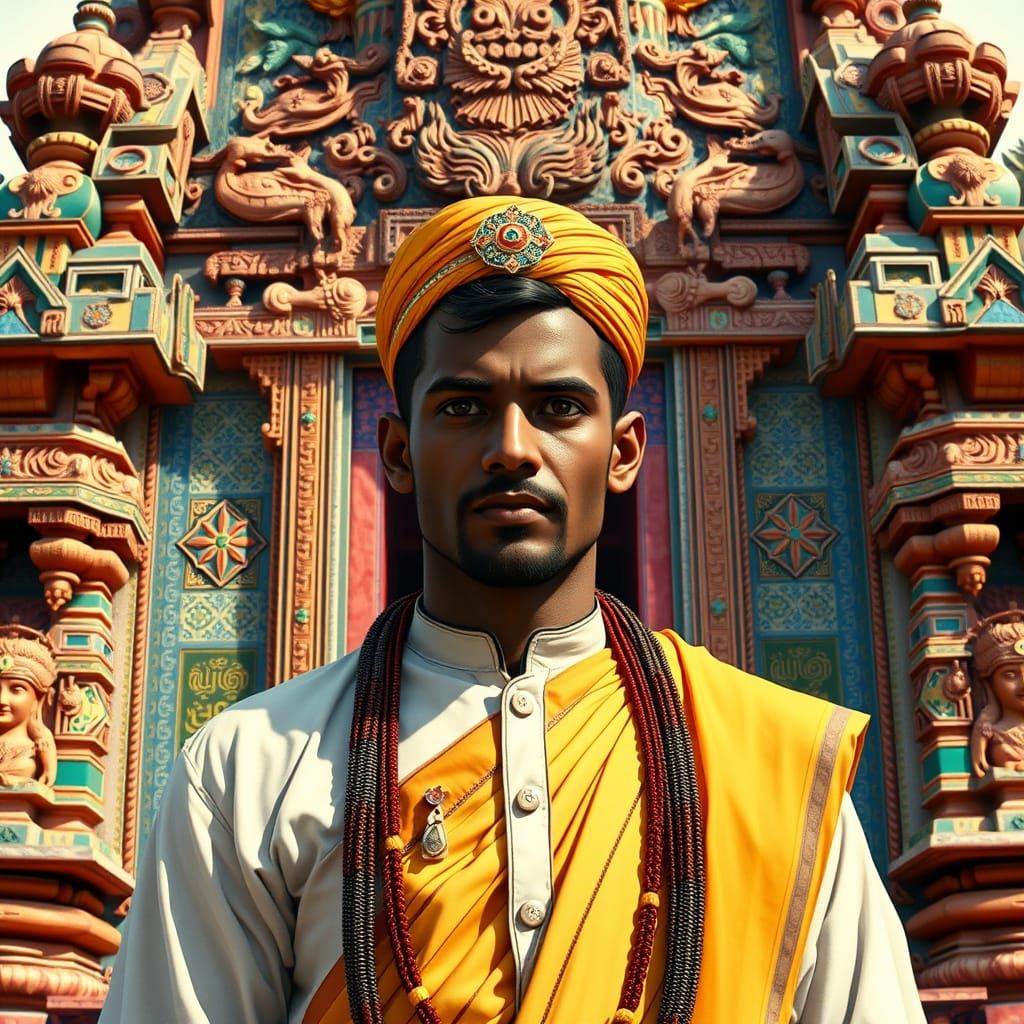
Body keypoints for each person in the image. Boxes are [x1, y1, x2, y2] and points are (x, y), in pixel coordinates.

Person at [101, 198, 925, 1023]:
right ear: (397, 454)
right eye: (463, 408)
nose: (513, 448)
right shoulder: (251, 771)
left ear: (626, 451)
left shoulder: (769, 765)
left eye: (561, 408)